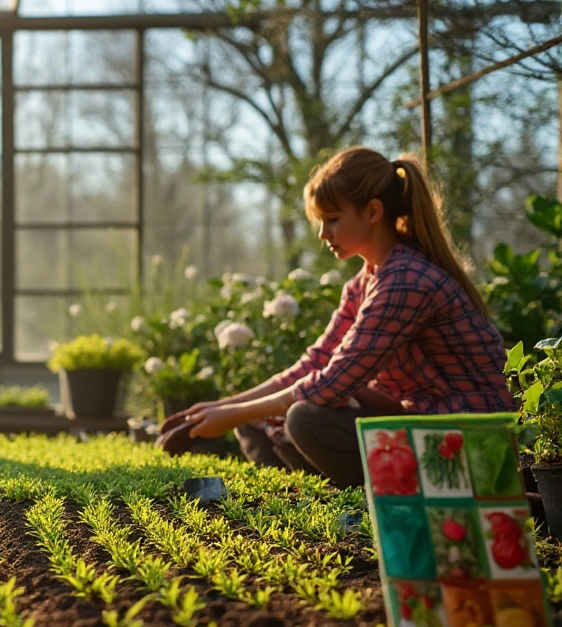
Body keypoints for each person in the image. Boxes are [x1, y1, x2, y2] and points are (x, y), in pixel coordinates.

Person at [160, 146, 515, 488]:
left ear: (372, 212)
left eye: (332, 219)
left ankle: (365, 495)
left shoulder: (408, 280)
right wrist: (224, 407)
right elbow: (314, 362)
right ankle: (323, 491)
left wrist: (234, 414)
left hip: (473, 445)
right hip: (424, 428)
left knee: (304, 418)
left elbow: (331, 386)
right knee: (258, 419)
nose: (322, 234)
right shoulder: (366, 281)